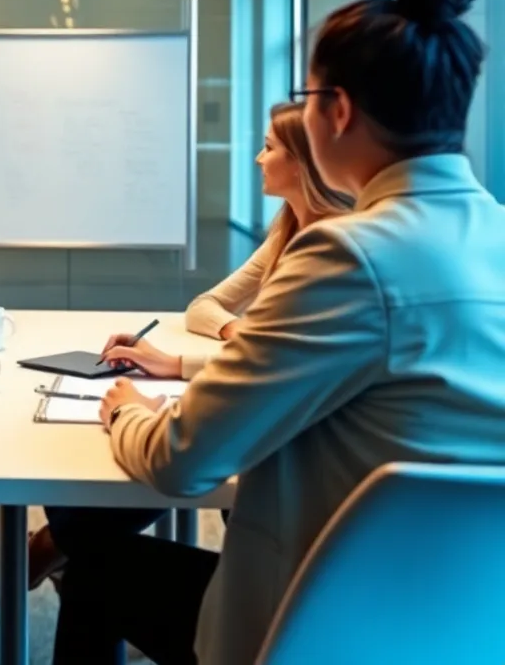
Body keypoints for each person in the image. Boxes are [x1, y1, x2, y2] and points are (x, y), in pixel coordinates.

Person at [56, 0, 505, 665]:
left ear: (340, 110)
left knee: (97, 569)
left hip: (318, 629)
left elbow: (182, 460)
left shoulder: (350, 255)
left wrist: (127, 410)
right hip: (470, 630)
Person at [28, 102, 352, 589]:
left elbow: (190, 452)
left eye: (268, 148)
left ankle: (58, 547)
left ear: (304, 162)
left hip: (288, 562)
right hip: (284, 520)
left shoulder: (332, 256)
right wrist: (230, 342)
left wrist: (229, 355)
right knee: (102, 508)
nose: (258, 160)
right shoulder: (287, 230)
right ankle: (63, 546)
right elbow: (206, 308)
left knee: (104, 531)